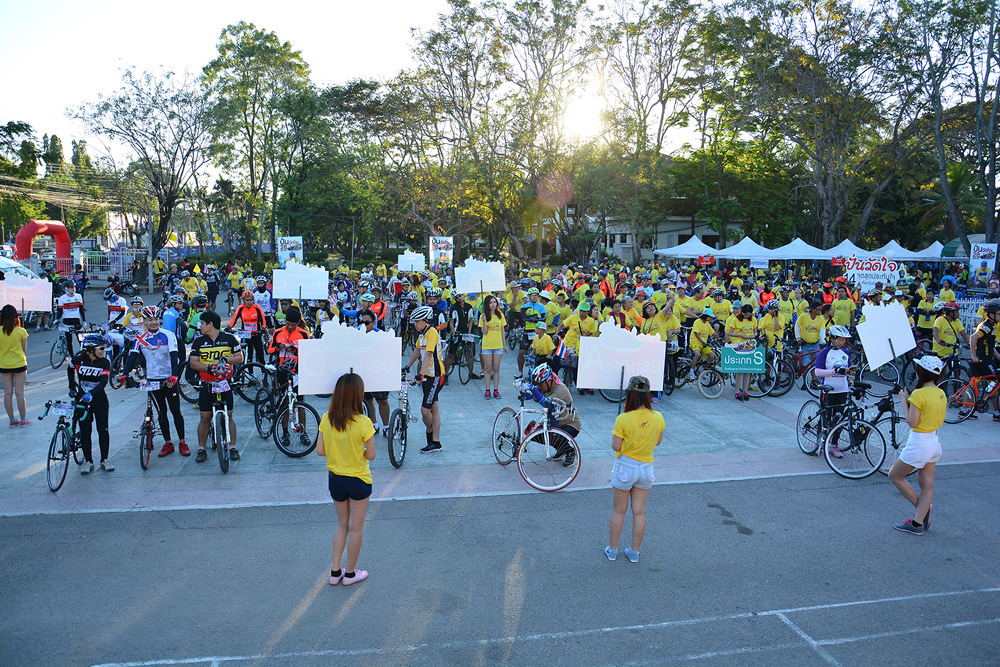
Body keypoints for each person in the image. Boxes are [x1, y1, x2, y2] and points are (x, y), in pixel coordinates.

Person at [317, 372, 375, 586]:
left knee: (342, 525)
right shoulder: (364, 422)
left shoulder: (327, 418)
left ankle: (335, 572)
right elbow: (371, 455)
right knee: (356, 527)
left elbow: (320, 451)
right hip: (359, 479)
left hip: (335, 480)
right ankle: (350, 574)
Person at [605, 376, 665, 563]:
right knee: (639, 512)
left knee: (619, 510)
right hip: (646, 467)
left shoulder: (623, 419)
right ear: (648, 394)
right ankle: (634, 552)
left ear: (630, 394)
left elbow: (616, 446)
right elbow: (658, 441)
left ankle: (612, 550)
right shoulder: (658, 417)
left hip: (626, 467)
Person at [889, 356, 946, 535]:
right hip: (934, 442)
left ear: (920, 372)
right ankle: (917, 522)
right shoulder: (941, 393)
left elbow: (912, 422)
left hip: (919, 443)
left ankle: (922, 510)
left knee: (895, 475)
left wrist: (903, 400)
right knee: (927, 484)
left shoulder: (918, 394)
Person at [121, 305, 188, 457]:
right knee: (161, 412)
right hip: (153, 379)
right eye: (150, 319)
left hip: (169, 379)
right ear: (145, 321)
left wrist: (174, 375)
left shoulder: (168, 335)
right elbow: (132, 357)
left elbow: (174, 356)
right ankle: (168, 443)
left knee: (176, 411)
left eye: (156, 319)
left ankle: (182, 442)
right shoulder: (140, 338)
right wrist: (125, 374)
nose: (154, 322)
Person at [188, 311, 244, 463]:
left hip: (224, 383)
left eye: (202, 323)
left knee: (229, 415)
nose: (200, 326)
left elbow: (240, 357)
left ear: (210, 324)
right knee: (205, 417)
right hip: (207, 384)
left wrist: (226, 359)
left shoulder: (229, 339)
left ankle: (233, 447)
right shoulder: (199, 341)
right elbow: (193, 362)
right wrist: (207, 368)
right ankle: (202, 448)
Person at [517, 363, 580, 466]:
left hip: (570, 425)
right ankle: (561, 449)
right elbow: (529, 396)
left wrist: (533, 389)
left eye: (540, 384)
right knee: (534, 434)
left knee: (553, 436)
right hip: (555, 423)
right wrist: (522, 389)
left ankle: (570, 451)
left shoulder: (561, 390)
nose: (539, 386)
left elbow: (547, 403)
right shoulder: (545, 386)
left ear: (549, 380)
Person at [68, 334, 113, 474]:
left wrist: (92, 394)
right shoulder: (78, 359)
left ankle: (105, 459)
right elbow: (70, 368)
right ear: (91, 349)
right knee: (85, 431)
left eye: (105, 348)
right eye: (101, 348)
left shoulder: (105, 362)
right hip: (82, 400)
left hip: (99, 399)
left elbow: (103, 382)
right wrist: (72, 387)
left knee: (103, 430)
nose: (104, 351)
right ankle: (88, 461)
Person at [269, 307, 312, 449]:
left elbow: (309, 353)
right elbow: (270, 349)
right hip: (282, 371)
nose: (289, 327)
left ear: (298, 323)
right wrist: (278, 347)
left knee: (300, 402)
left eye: (293, 325)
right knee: (286, 403)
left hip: (298, 371)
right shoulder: (278, 332)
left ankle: (303, 432)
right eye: (287, 323)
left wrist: (294, 349)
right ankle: (285, 432)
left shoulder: (303, 334)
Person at [404, 305, 445, 453]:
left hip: (435, 375)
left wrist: (420, 374)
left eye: (417, 321)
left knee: (425, 411)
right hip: (428, 375)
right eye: (414, 322)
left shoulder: (432, 332)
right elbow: (417, 350)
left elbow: (428, 354)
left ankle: (430, 431)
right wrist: (407, 366)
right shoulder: (422, 334)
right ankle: (436, 442)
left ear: (426, 321)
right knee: (434, 408)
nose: (415, 324)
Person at [813, 324, 853, 457]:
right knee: (825, 417)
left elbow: (846, 370)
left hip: (842, 389)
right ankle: (819, 442)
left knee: (839, 418)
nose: (842, 342)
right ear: (832, 338)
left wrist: (848, 372)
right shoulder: (825, 352)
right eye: (839, 340)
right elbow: (817, 372)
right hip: (828, 390)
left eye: (843, 340)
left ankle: (834, 445)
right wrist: (834, 371)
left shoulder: (845, 352)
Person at [968, 299, 1000, 421]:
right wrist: (973, 356)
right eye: (999, 314)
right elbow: (973, 338)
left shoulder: (990, 326)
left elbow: (990, 348)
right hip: (983, 360)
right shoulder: (987, 327)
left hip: (986, 359)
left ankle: (965, 410)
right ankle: (996, 412)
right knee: (993, 383)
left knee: (977, 384)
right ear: (991, 314)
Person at [0, 305, 30, 426]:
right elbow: (24, 349)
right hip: (19, 364)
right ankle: (23, 420)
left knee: (7, 393)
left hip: (4, 365)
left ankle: (12, 420)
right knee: (19, 393)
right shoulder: (21, 331)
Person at [726, 304, 758, 401]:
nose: (746, 316)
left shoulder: (753, 319)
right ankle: (737, 391)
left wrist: (753, 336)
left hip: (749, 345)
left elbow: (755, 332)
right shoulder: (735, 319)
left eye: (748, 314)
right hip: (739, 345)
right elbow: (730, 333)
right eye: (745, 314)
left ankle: (745, 390)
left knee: (747, 370)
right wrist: (740, 335)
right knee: (739, 370)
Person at [478, 294, 506, 399]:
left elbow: (502, 331)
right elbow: (484, 332)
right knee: (488, 369)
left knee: (496, 368)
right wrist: (484, 321)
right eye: (490, 303)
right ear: (487, 304)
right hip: (487, 346)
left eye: (494, 302)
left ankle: (496, 390)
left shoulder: (500, 315)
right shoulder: (483, 316)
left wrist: (504, 345)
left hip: (498, 346)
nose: (493, 304)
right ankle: (487, 390)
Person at [228, 291, 267, 365]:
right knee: (248, 357)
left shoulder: (257, 308)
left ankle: (263, 370)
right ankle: (249, 371)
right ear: (243, 300)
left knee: (260, 356)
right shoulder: (241, 308)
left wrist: (263, 327)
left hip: (256, 334)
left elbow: (263, 319)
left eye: (251, 300)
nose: (249, 302)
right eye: (247, 300)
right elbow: (234, 318)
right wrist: (229, 327)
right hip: (245, 335)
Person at [56, 279, 86, 359]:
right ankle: (72, 358)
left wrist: (84, 321)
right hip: (67, 320)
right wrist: (56, 319)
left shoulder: (78, 296)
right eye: (71, 287)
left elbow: (81, 310)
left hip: (76, 320)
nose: (73, 289)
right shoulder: (62, 298)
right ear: (66, 288)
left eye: (74, 287)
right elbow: (60, 311)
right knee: (69, 341)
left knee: (81, 339)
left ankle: (83, 356)